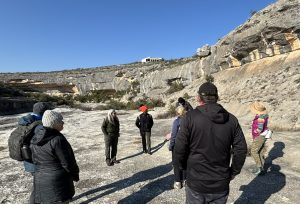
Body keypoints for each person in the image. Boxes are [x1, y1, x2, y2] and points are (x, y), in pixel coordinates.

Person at [174, 82, 247, 204]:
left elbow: (179, 148)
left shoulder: (190, 117)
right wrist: (234, 172)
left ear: (198, 98)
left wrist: (183, 168)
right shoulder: (231, 119)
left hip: (196, 181)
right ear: (217, 97)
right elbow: (241, 149)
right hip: (220, 182)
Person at [30, 110, 79, 204]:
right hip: (58, 182)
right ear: (54, 123)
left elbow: (34, 159)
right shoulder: (58, 139)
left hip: (40, 179)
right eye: (60, 121)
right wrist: (75, 174)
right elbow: (68, 163)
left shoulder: (36, 137)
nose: (63, 122)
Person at [17, 102, 52, 204]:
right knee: (39, 186)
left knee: (38, 184)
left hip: (28, 159)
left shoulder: (25, 121)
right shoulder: (38, 125)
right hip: (37, 161)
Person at [169, 105, 187, 189]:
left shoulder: (176, 122)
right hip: (187, 145)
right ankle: (185, 180)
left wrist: (171, 145)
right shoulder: (188, 120)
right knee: (185, 162)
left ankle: (178, 182)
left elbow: (173, 135)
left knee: (176, 164)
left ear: (177, 112)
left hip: (177, 145)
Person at [249, 101, 269, 175]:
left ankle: (260, 168)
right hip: (263, 136)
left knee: (254, 151)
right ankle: (262, 168)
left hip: (259, 136)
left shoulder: (261, 117)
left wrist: (255, 130)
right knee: (260, 152)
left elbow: (260, 129)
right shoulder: (263, 115)